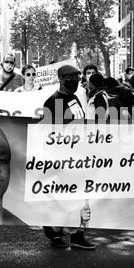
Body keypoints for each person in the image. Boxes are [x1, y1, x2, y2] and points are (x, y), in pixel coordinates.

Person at [42, 64, 95, 250]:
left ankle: (75, 233)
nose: (74, 81)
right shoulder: (53, 102)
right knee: (65, 197)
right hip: (64, 158)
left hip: (78, 155)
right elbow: (51, 133)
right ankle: (56, 231)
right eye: (70, 78)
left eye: (76, 77)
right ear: (61, 79)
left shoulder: (74, 98)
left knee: (80, 196)